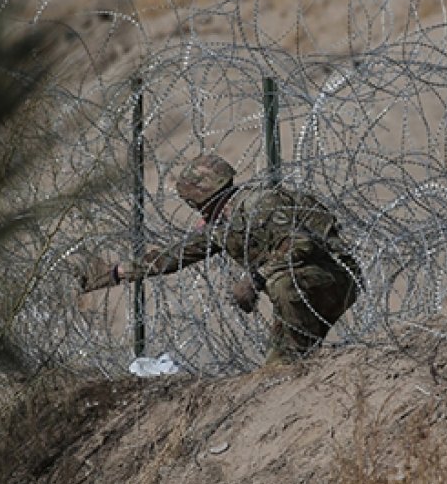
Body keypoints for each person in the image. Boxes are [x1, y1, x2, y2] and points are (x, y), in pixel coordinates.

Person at [79, 154, 362, 366]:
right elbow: (174, 256)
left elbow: (301, 244)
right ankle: (297, 369)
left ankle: (298, 365)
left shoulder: (259, 205)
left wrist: (256, 278)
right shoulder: (220, 226)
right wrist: (118, 272)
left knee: (282, 286)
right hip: (305, 286)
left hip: (332, 277)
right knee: (276, 366)